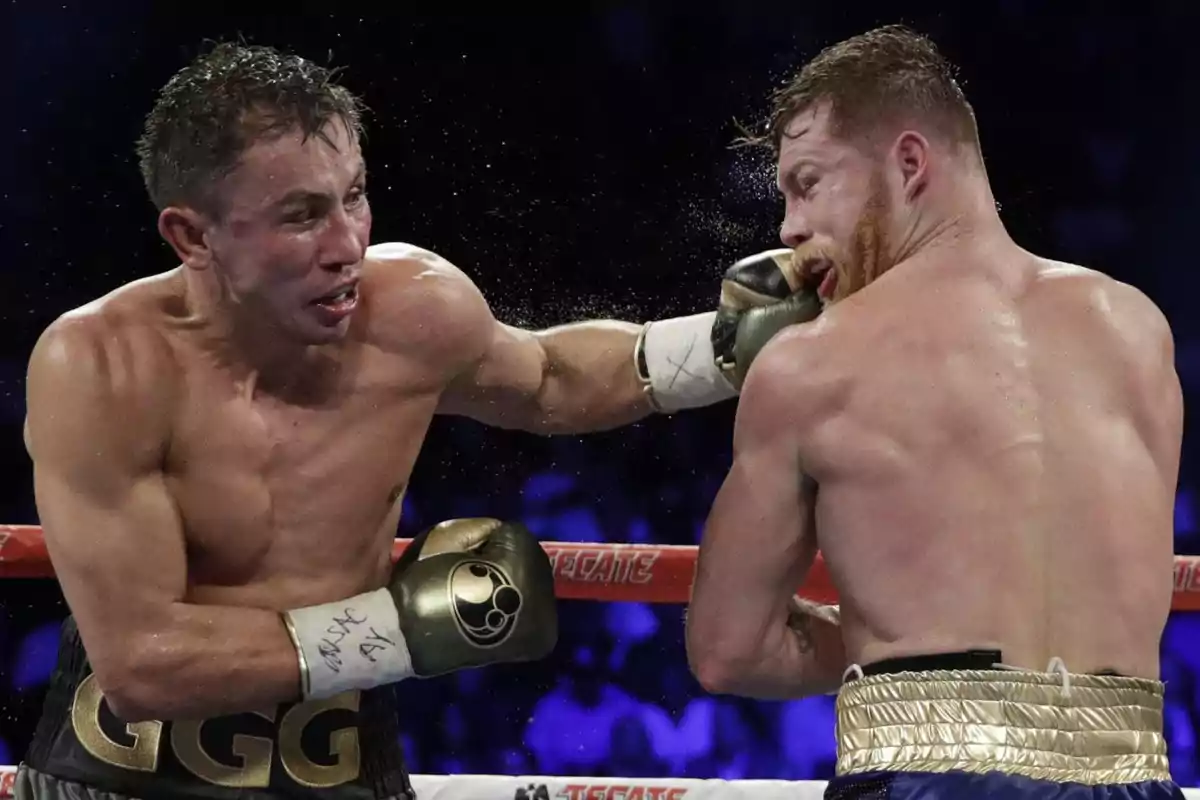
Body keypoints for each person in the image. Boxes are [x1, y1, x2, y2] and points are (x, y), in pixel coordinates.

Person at [17, 43, 811, 800]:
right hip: (116, 779)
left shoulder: (411, 310)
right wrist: (401, 631)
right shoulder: (102, 367)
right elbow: (141, 666)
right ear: (193, 235)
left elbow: (548, 378)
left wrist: (721, 348)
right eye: (301, 215)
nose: (346, 245)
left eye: (354, 196)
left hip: (339, 767)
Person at [685, 24, 1185, 800]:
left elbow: (727, 649)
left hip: (931, 775)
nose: (787, 228)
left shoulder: (812, 362)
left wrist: (902, 647)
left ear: (909, 163)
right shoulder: (1137, 328)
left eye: (807, 183)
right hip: (1131, 776)